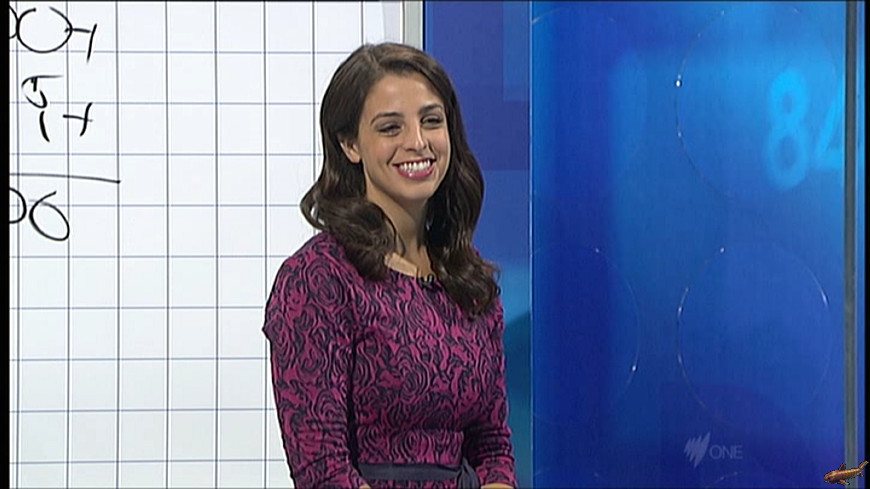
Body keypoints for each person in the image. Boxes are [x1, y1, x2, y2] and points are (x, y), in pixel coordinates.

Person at [263, 42, 516, 489]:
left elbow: (492, 446)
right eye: (390, 127)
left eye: (431, 121)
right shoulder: (318, 278)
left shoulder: (468, 277)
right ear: (350, 144)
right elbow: (323, 471)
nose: (417, 142)